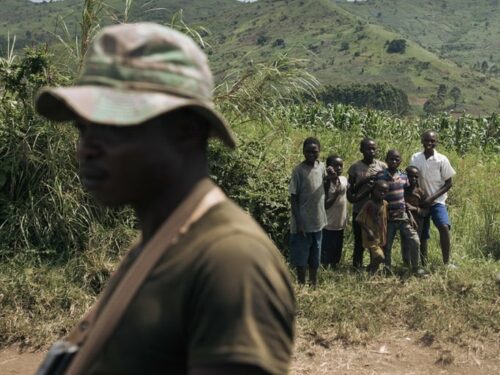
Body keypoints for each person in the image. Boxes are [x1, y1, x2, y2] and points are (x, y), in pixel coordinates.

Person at [34, 23, 295, 375]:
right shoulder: (158, 246)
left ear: (185, 130)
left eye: (113, 122)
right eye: (83, 127)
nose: (85, 148)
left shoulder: (230, 261)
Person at [410, 130, 456, 267]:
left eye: (432, 141)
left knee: (443, 227)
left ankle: (446, 262)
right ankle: (423, 263)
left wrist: (431, 198)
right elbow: (413, 178)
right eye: (427, 140)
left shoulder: (442, 159)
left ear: (436, 142)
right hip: (421, 201)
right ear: (422, 141)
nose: (429, 143)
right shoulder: (415, 158)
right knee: (422, 234)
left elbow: (449, 183)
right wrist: (419, 197)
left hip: (437, 201)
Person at [377, 150, 422, 275]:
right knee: (387, 244)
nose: (394, 161)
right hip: (388, 217)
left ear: (400, 161)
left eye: (397, 159)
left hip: (402, 215)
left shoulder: (403, 177)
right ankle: (387, 269)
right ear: (386, 160)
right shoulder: (381, 176)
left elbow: (405, 197)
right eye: (391, 159)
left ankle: (415, 267)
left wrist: (410, 215)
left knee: (414, 240)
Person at [289, 137, 327, 287]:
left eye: (314, 151)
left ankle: (313, 283)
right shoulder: (298, 171)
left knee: (315, 256)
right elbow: (293, 198)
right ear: (303, 151)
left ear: (319, 151)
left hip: (318, 221)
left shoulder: (322, 167)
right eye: (308, 151)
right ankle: (301, 284)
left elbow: (324, 186)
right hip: (303, 223)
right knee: (301, 257)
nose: (311, 153)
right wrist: (299, 222)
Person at [347, 138, 387, 269]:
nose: (371, 151)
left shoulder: (382, 166)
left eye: (373, 149)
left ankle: (373, 266)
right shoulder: (355, 167)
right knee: (359, 241)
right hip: (360, 210)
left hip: (377, 212)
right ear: (361, 150)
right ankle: (357, 268)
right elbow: (351, 190)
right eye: (368, 149)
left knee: (376, 240)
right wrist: (365, 182)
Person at [355, 180, 389, 274]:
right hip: (371, 236)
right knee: (380, 256)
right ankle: (370, 270)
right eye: (379, 190)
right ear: (373, 190)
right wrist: (368, 230)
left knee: (374, 257)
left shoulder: (385, 204)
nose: (382, 193)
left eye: (385, 191)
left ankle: (371, 272)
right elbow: (359, 219)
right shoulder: (369, 204)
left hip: (380, 235)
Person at [321, 154, 348, 268]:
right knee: (327, 248)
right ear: (329, 167)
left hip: (340, 222)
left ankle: (334, 266)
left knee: (337, 248)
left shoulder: (343, 179)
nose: (339, 168)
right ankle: (324, 266)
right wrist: (336, 192)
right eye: (336, 166)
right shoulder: (326, 183)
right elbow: (325, 205)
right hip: (328, 224)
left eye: (341, 166)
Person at [404, 165, 429, 267]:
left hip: (418, 222)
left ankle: (419, 265)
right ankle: (407, 265)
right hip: (405, 220)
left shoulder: (421, 192)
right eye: (410, 176)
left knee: (417, 242)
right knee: (405, 243)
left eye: (415, 177)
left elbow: (426, 210)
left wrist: (414, 208)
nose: (413, 179)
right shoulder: (403, 190)